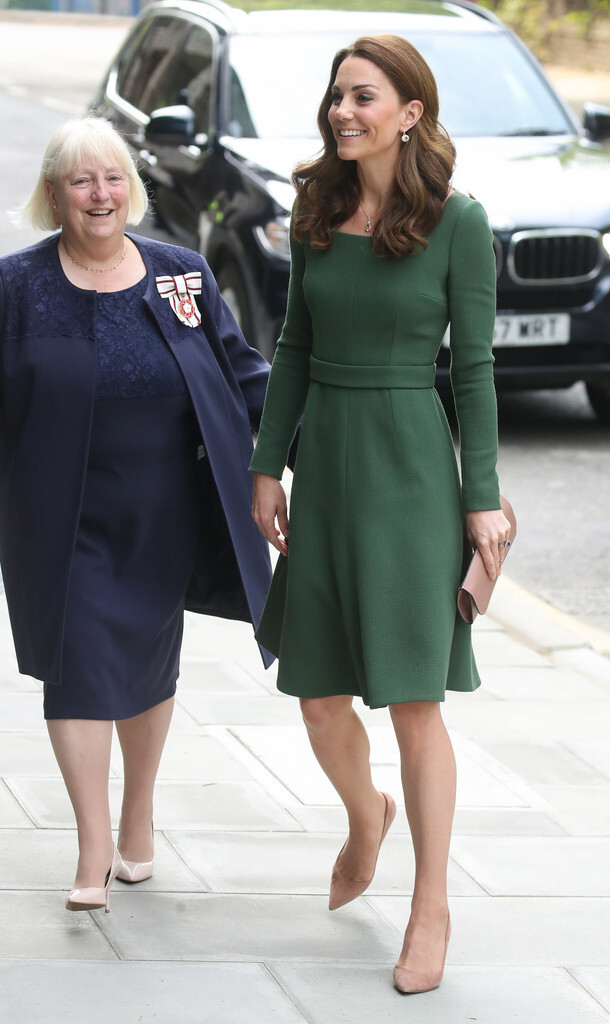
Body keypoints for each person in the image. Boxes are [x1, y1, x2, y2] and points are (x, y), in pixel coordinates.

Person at [250, 34, 511, 995]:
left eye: (363, 97)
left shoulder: (458, 221)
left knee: (413, 702)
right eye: (337, 96)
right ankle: (368, 816)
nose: (343, 112)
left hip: (409, 473)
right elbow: (292, 345)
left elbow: (475, 369)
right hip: (326, 464)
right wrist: (266, 466)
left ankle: (429, 905)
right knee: (318, 697)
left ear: (410, 113)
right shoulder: (316, 209)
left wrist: (481, 499)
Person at [0, 116, 273, 913]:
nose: (100, 194)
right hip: (62, 514)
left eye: (113, 177)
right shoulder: (16, 286)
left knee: (151, 668)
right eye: (81, 180)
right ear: (54, 195)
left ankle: (139, 811)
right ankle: (92, 845)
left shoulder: (180, 275)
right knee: (77, 665)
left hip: (164, 511)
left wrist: (304, 450)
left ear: (133, 189)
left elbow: (243, 374)